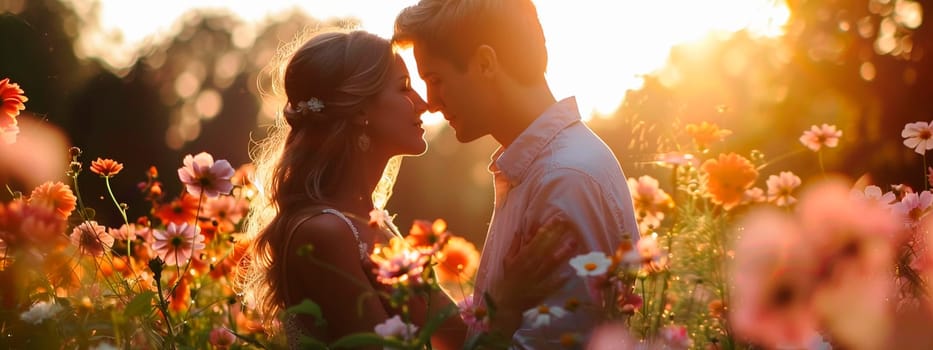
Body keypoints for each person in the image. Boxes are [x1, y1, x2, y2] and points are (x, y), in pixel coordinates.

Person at [235, 29, 574, 349]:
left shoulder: (372, 223)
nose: (423, 103)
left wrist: (508, 292)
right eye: (404, 87)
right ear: (360, 110)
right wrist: (508, 303)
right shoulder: (323, 233)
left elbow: (458, 341)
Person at [393, 0, 641, 347]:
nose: (430, 102)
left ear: (485, 63)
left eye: (436, 79)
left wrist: (501, 311)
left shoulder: (564, 180)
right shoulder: (540, 168)